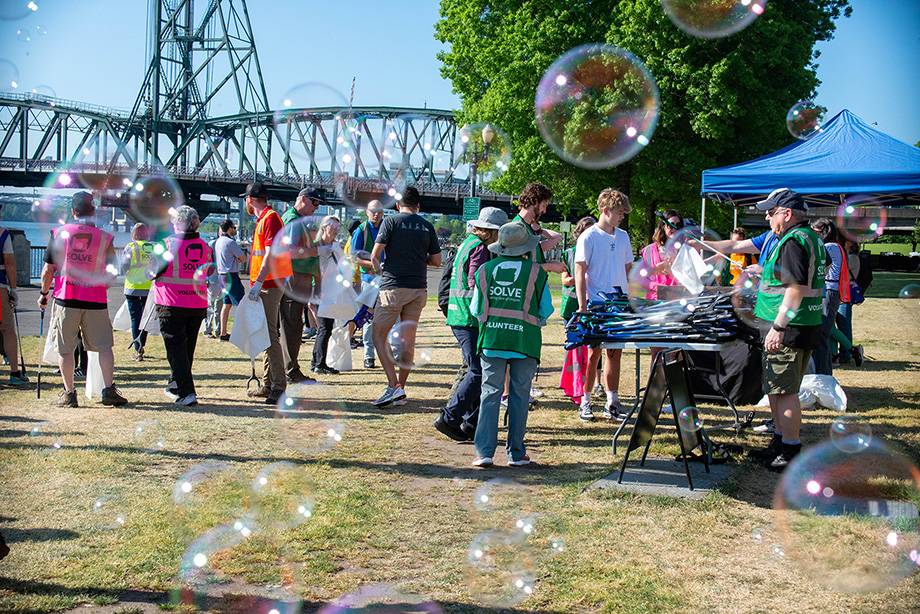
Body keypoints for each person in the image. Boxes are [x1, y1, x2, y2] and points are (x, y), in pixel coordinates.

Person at [750, 189, 824, 470]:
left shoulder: (792, 241)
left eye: (771, 212)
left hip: (789, 327)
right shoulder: (810, 237)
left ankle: (790, 450)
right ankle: (780, 442)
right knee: (778, 388)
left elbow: (796, 287)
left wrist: (778, 327)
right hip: (804, 323)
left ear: (787, 213)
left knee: (785, 390)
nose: (767, 217)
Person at [469, 222, 552, 467]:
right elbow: (545, 309)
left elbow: (475, 309)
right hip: (525, 341)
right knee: (519, 395)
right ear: (526, 248)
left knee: (490, 394)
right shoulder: (537, 272)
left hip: (492, 340)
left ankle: (484, 452)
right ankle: (516, 453)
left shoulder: (484, 270)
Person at [37, 191, 127, 407]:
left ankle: (69, 394)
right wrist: (98, 287)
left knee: (66, 349)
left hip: (66, 298)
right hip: (95, 300)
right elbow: (112, 273)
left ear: (72, 211)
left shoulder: (58, 233)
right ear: (93, 211)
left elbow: (49, 269)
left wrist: (43, 293)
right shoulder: (105, 238)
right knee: (104, 347)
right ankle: (108, 391)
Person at [434, 207, 508, 442]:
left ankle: (471, 422)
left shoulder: (467, 242)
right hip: (470, 317)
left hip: (459, 315)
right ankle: (450, 417)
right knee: (477, 371)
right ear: (492, 232)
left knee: (477, 369)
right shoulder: (480, 248)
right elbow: (475, 280)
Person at [369, 186, 441, 407]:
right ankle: (401, 389)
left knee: (378, 336)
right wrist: (419, 259)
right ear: (418, 206)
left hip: (393, 287)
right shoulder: (428, 226)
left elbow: (375, 255)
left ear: (398, 205)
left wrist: (379, 269)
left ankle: (393, 387)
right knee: (408, 342)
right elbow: (437, 262)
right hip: (418, 289)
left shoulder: (390, 222)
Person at [575, 188, 634, 422]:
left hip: (618, 303)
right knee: (593, 354)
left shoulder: (623, 236)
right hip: (596, 303)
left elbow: (628, 269)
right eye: (619, 212)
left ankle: (612, 402)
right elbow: (580, 273)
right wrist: (582, 306)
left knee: (615, 353)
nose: (622, 216)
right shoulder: (588, 236)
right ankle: (585, 401)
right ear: (605, 211)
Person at [152, 206, 212, 406]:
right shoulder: (206, 247)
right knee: (187, 350)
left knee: (175, 350)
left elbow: (152, 270)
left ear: (177, 224)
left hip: (171, 303)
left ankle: (187, 392)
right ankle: (176, 385)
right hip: (196, 304)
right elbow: (209, 272)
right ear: (196, 224)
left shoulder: (167, 245)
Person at [243, 181, 291, 405]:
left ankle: (278, 387)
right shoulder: (264, 219)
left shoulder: (270, 218)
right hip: (266, 284)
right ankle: (268, 383)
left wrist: (258, 282)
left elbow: (270, 256)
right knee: (265, 334)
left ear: (249, 200)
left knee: (270, 336)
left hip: (269, 285)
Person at [280, 187, 325, 383]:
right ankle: (290, 370)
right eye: (315, 202)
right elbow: (290, 251)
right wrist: (316, 252)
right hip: (293, 277)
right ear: (303, 199)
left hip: (300, 277)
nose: (317, 207)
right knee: (292, 325)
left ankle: (290, 368)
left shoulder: (298, 219)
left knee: (294, 325)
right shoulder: (293, 219)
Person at [811, 218, 850, 376]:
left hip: (829, 291)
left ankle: (823, 372)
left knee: (822, 333)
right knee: (824, 332)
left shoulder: (829, 247)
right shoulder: (835, 246)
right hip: (831, 291)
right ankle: (825, 371)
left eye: (815, 232)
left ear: (822, 232)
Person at [350, 200, 385, 368]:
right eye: (373, 211)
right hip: (369, 279)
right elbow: (355, 258)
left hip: (387, 279)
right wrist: (374, 265)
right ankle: (368, 356)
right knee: (369, 316)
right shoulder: (361, 231)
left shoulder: (387, 226)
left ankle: (395, 353)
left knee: (391, 315)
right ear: (367, 212)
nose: (376, 214)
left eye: (379, 211)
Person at [510, 182, 567, 275]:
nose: (544, 211)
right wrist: (550, 266)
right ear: (535, 201)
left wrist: (550, 263)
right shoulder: (517, 228)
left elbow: (532, 262)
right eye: (544, 205)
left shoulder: (527, 228)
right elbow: (518, 267)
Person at [311, 215, 344, 376]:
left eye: (338, 227)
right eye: (333, 227)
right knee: (324, 327)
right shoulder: (316, 246)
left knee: (325, 327)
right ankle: (319, 364)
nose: (336, 230)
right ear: (324, 228)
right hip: (320, 290)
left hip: (331, 290)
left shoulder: (335, 246)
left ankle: (315, 362)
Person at [0, 205, 27, 385]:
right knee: (7, 329)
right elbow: (9, 263)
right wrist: (14, 289)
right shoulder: (3, 234)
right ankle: (14, 373)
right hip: (0, 287)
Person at [121, 223, 154, 361]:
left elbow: (123, 267)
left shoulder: (131, 247)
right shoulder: (153, 248)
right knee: (144, 319)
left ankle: (137, 349)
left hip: (133, 286)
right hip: (149, 287)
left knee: (135, 318)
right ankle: (142, 345)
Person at [639, 209, 683, 300]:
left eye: (678, 225)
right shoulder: (647, 251)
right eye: (671, 225)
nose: (674, 228)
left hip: (677, 301)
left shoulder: (684, 250)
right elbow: (641, 278)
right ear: (663, 225)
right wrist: (658, 287)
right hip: (654, 301)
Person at [213, 219, 246, 341]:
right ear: (229, 229)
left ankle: (223, 333)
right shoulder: (230, 242)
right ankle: (241, 332)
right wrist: (238, 259)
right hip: (231, 275)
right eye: (234, 228)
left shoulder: (218, 241)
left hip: (222, 275)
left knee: (226, 305)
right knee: (241, 304)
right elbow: (243, 258)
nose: (235, 230)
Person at [560, 216, 596, 324]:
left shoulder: (600, 251)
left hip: (593, 304)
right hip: (571, 305)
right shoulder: (569, 254)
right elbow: (565, 280)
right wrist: (582, 279)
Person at [834, 239, 864, 366]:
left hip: (845, 293)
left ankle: (846, 353)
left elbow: (843, 268)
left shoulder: (853, 257)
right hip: (841, 292)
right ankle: (840, 353)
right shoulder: (850, 256)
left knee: (844, 324)